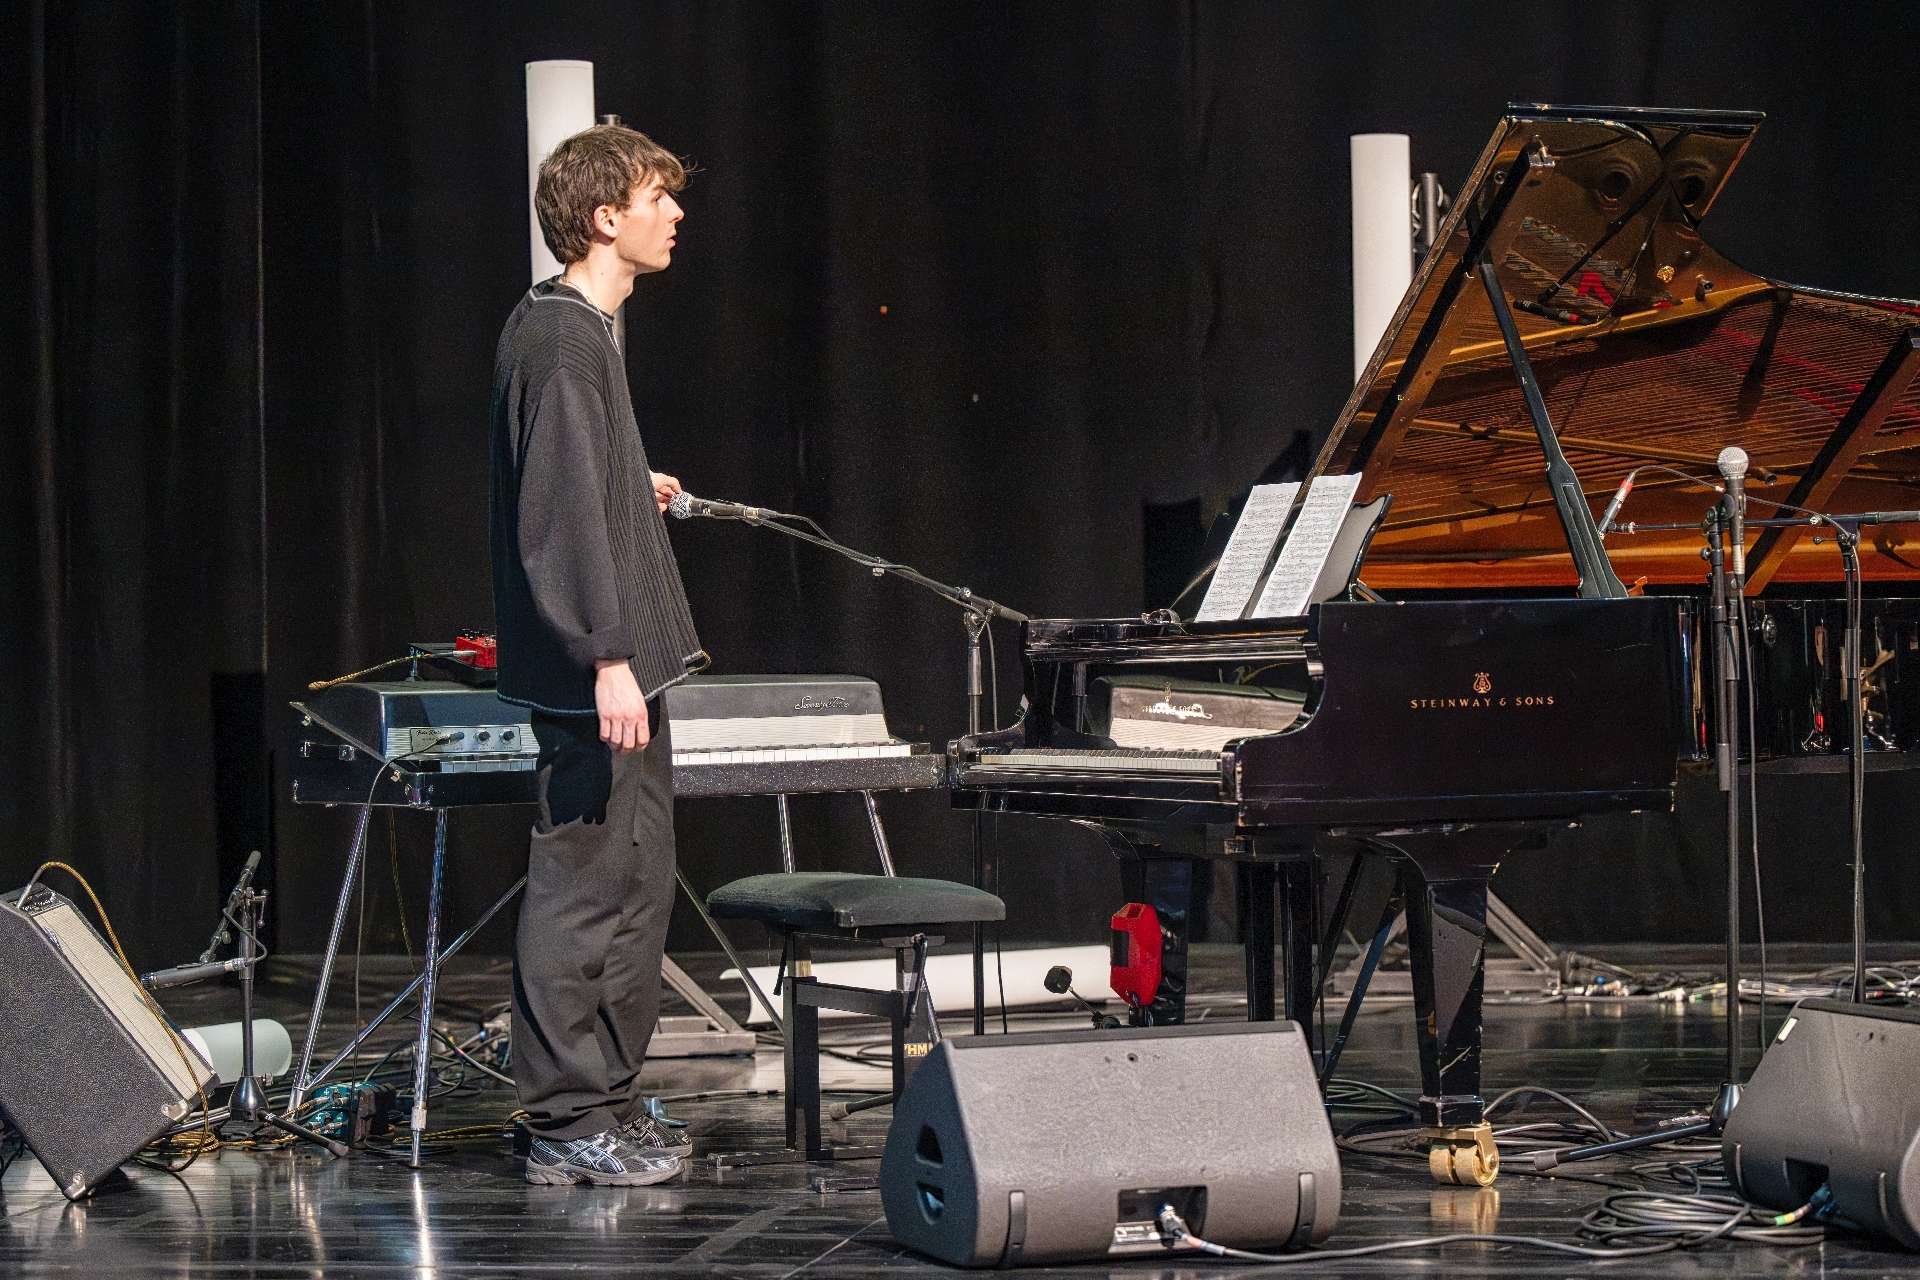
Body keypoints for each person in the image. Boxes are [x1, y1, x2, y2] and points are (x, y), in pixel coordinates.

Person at [488, 124, 707, 1186]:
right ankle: (566, 1121)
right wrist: (605, 653)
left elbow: (586, 479)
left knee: (636, 882)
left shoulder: (582, 332)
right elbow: (556, 513)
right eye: (658, 196)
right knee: (584, 887)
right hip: (601, 671)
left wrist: (636, 478)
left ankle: (605, 1103)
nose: (675, 214)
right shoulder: (566, 335)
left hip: (630, 666)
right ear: (603, 216)